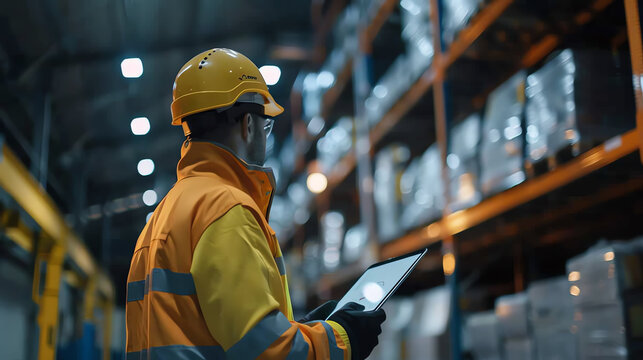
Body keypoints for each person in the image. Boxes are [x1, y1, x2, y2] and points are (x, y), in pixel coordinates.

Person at [125, 48, 386, 359]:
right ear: (249, 124)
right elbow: (266, 352)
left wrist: (302, 327)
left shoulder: (165, 214)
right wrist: (342, 339)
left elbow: (210, 328)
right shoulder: (225, 208)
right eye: (266, 125)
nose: (265, 135)